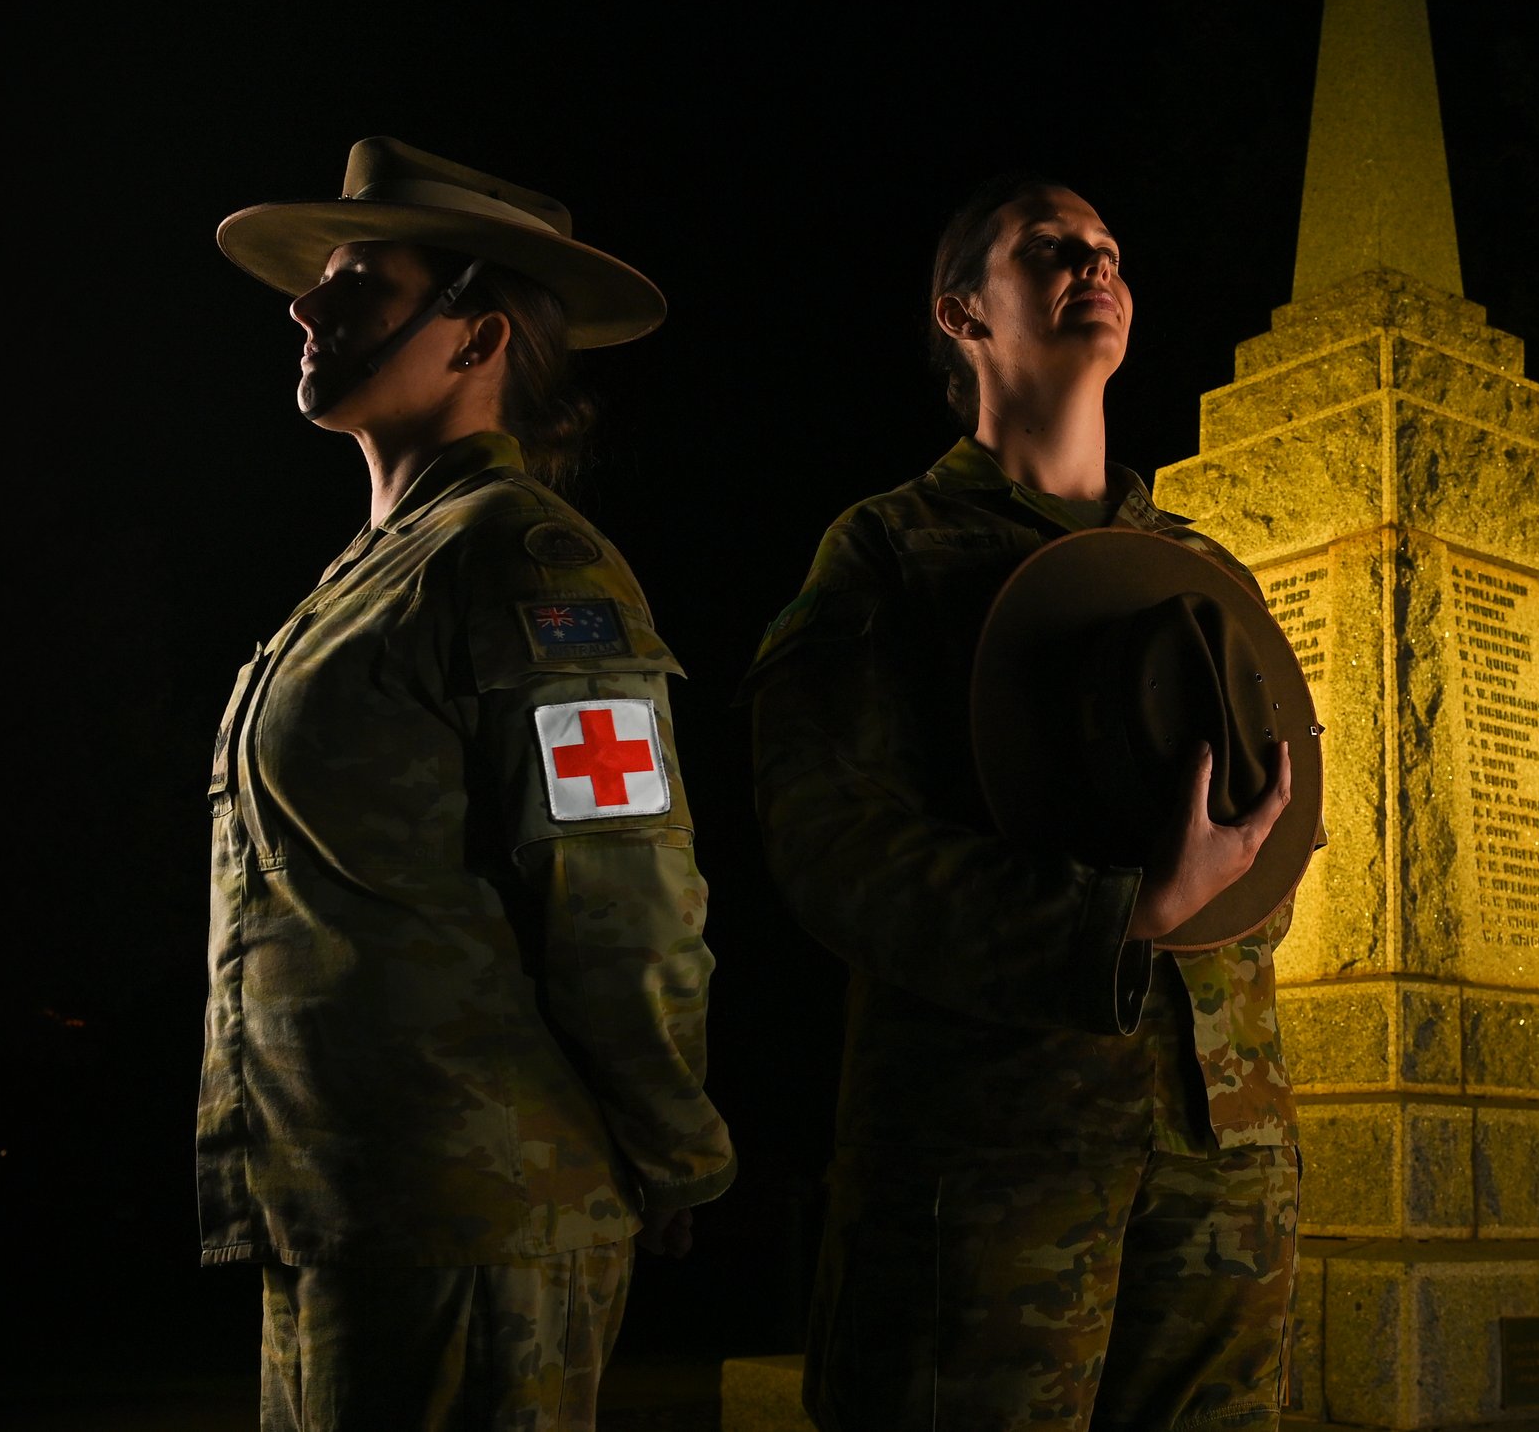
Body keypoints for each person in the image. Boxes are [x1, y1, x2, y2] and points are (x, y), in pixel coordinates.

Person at [747, 174, 1300, 1430]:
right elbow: (830, 841)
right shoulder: (889, 551)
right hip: (990, 1159)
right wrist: (1113, 913)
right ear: (961, 314)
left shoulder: (1204, 569)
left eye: (1109, 248)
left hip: (1225, 1151)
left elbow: (1275, 821)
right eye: (1049, 247)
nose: (1092, 264)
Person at [203, 138, 734, 1430]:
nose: (304, 308)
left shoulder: (530, 560)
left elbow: (622, 883)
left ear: (476, 333)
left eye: (359, 285)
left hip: (474, 1217)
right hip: (349, 1209)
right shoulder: (370, 574)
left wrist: (671, 1142)